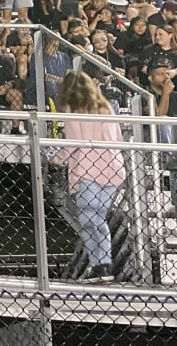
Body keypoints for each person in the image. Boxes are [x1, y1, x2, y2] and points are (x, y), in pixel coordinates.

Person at [50, 71, 124, 282]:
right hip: (113, 168)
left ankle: (99, 264)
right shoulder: (105, 106)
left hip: (89, 169)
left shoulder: (73, 109)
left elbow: (74, 142)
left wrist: (55, 158)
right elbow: (118, 138)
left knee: (88, 219)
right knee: (97, 218)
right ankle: (103, 265)